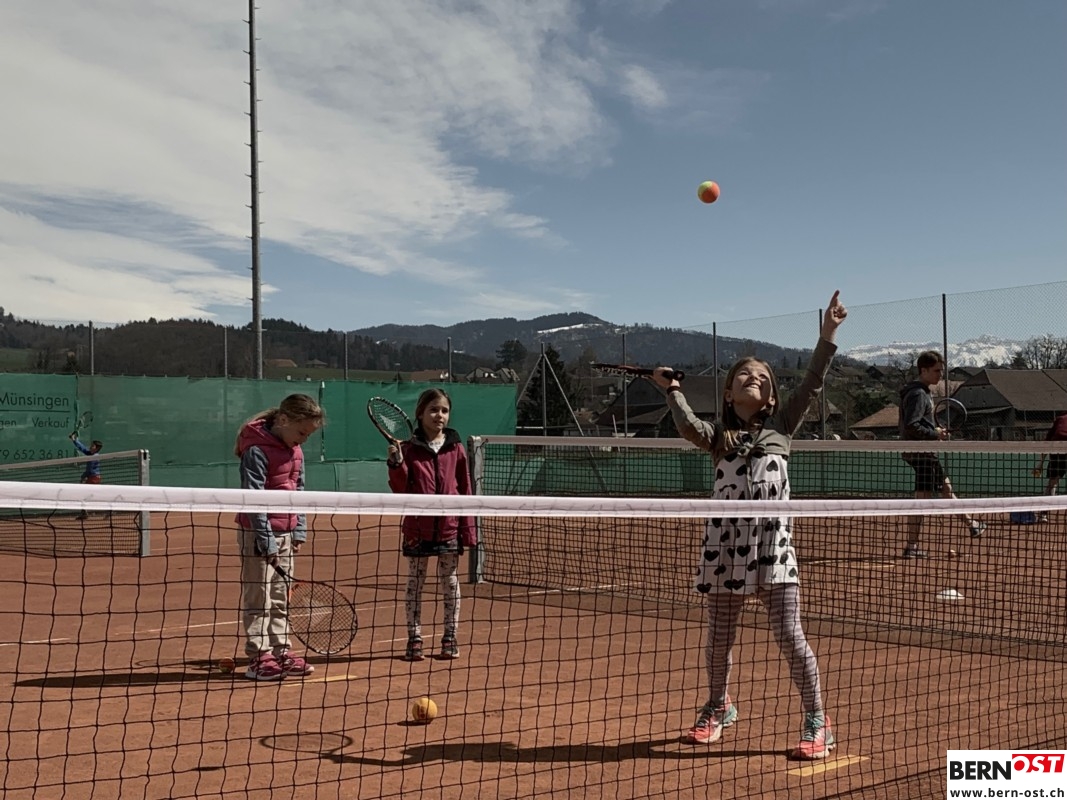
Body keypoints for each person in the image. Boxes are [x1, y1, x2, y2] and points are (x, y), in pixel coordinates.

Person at [651, 289, 847, 761]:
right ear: (728, 392)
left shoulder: (783, 425)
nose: (752, 378)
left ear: (772, 395)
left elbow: (813, 383)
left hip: (774, 552)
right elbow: (688, 427)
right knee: (719, 638)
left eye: (762, 377)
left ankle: (817, 719)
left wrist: (827, 335)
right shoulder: (719, 436)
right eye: (743, 374)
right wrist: (672, 390)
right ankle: (719, 705)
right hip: (725, 550)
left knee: (790, 637)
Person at [234, 393, 326, 681]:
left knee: (279, 596)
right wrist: (265, 540)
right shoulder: (256, 450)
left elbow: (299, 490)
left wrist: (299, 528)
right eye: (301, 432)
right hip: (257, 532)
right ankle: (259, 657)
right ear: (283, 420)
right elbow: (254, 498)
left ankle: (281, 651)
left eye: (308, 435)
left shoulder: (296, 451)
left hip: (286, 532)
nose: (303, 440)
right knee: (259, 596)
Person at [387, 388, 476, 661]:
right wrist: (396, 464)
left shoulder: (456, 448)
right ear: (420, 413)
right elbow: (401, 491)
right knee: (415, 583)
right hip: (417, 530)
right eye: (434, 410)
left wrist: (468, 530)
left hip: (449, 528)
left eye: (445, 411)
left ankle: (450, 637)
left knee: (450, 583)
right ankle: (414, 639)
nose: (440, 415)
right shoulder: (408, 449)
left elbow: (465, 489)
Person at [898, 351, 985, 558]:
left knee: (943, 489)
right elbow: (911, 425)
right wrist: (934, 434)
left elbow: (917, 424)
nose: (941, 374)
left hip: (922, 452)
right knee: (923, 500)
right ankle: (912, 546)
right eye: (937, 371)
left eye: (941, 370)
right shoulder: (918, 394)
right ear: (924, 370)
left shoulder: (921, 392)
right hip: (922, 453)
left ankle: (972, 525)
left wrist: (934, 432)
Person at [1033, 410, 1067, 522]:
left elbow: (1047, 442)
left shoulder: (1059, 419)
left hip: (1056, 448)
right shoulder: (1060, 419)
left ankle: (1043, 514)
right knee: (1053, 483)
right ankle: (1043, 513)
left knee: (1053, 483)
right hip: (1058, 448)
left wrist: (1040, 463)